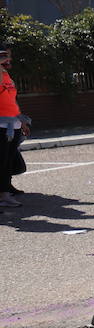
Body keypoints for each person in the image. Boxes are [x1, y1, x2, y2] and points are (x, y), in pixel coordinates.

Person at [0, 45, 30, 208]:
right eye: (4, 56)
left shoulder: (7, 77)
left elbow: (12, 101)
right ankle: (3, 194)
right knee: (2, 161)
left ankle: (5, 193)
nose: (8, 59)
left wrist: (22, 121)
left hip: (13, 124)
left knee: (8, 161)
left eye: (8, 56)